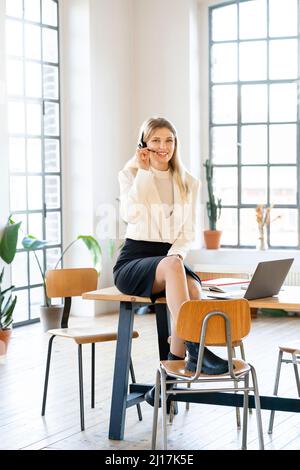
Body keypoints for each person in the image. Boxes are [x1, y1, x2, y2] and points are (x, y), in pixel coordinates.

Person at [113, 117, 228, 405]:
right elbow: (130, 214)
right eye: (155, 140)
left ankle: (167, 383)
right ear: (144, 144)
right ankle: (196, 350)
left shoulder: (189, 182)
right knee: (175, 267)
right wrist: (143, 172)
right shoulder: (129, 173)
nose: (163, 147)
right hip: (135, 258)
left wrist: (172, 257)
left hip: (170, 256)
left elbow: (187, 233)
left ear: (176, 144)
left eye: (169, 140)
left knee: (194, 290)